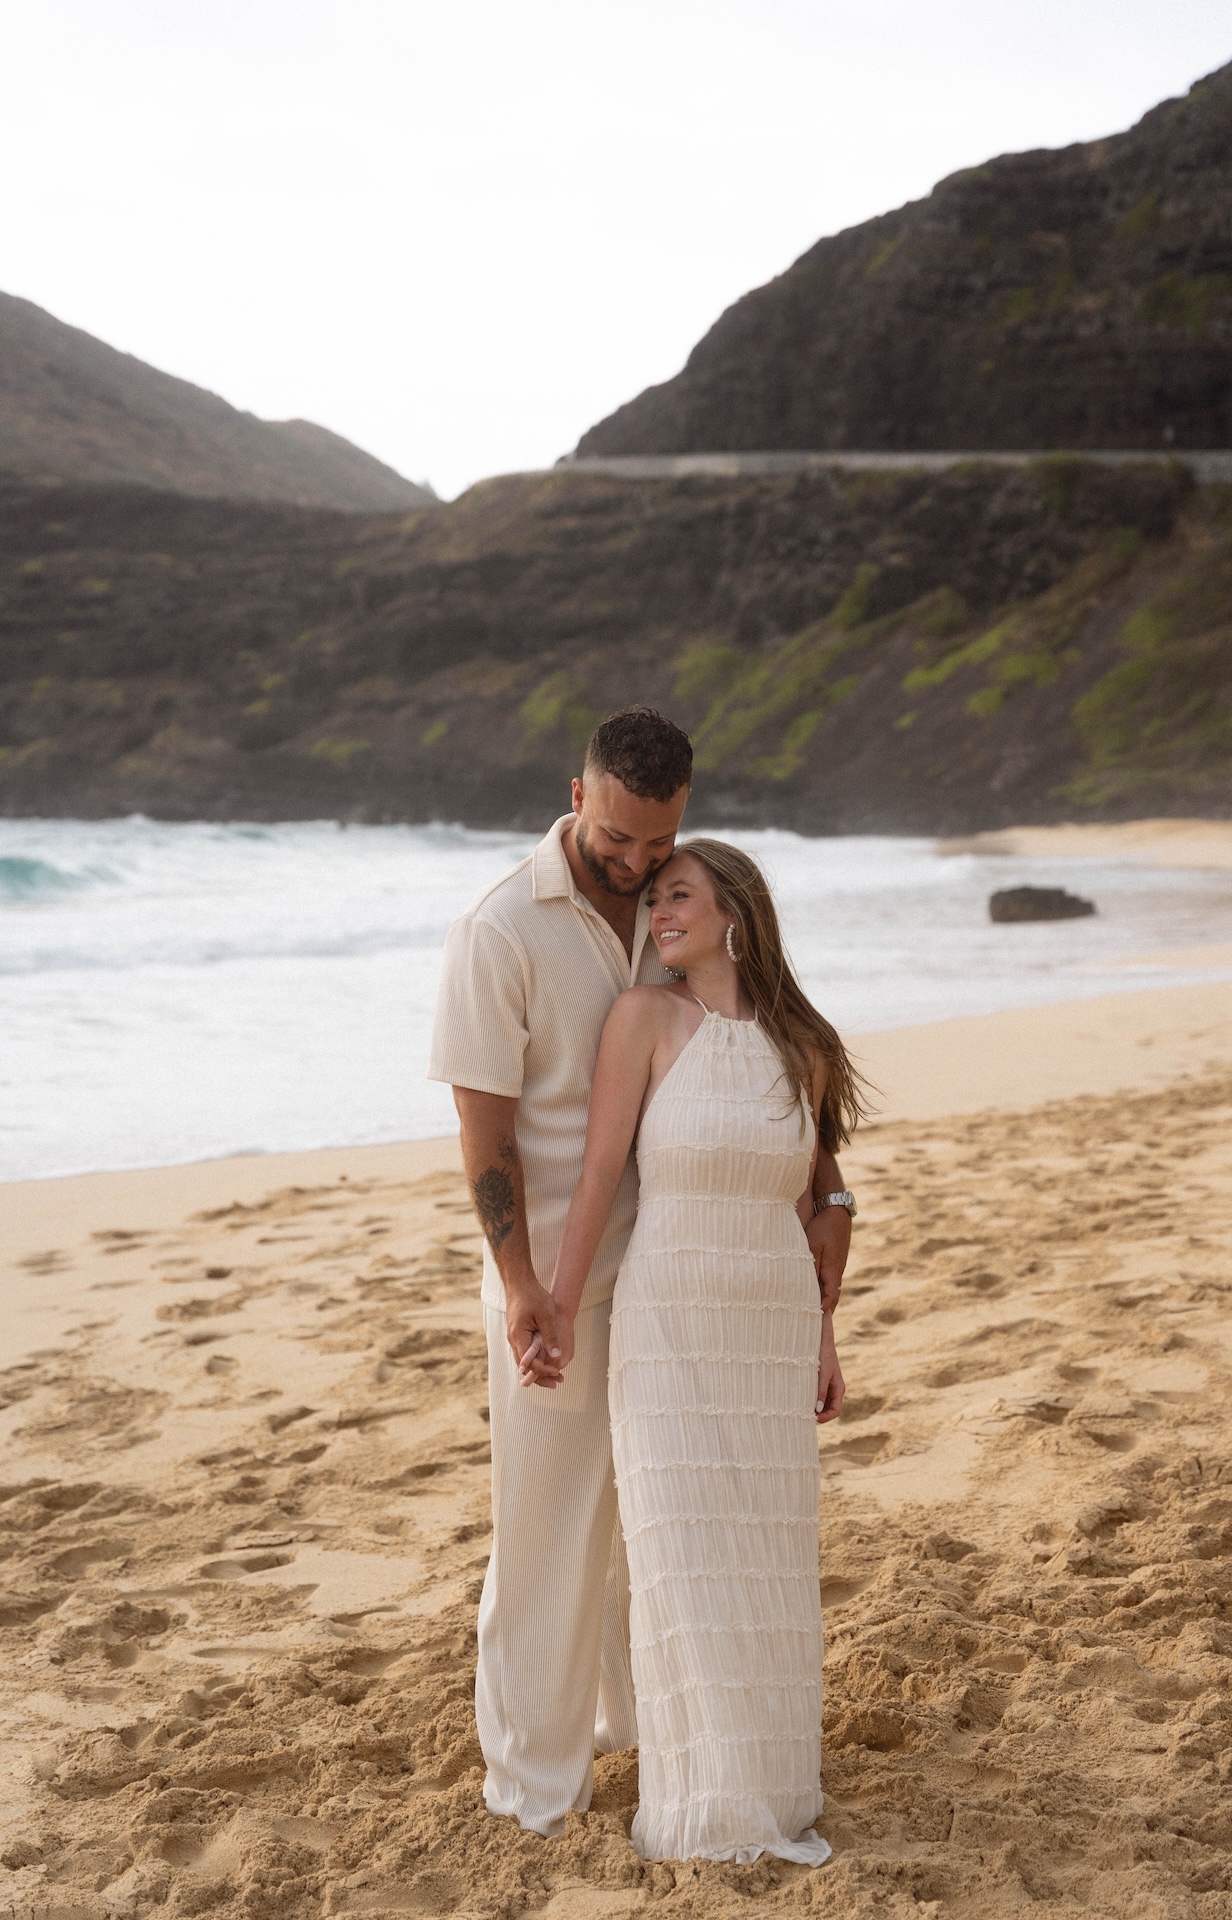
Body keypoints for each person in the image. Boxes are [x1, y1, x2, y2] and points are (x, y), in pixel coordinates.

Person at [430, 708, 853, 1839]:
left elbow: (777, 1084)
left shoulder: (675, 910)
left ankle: (638, 1735)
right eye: (615, 839)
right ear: (576, 793)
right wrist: (522, 1284)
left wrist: (829, 1216)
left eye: (656, 847)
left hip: (683, 1279)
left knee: (652, 1532)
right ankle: (533, 1791)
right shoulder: (501, 930)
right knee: (548, 1537)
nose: (633, 864)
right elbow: (486, 1133)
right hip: (554, 1280)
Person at [545, 838, 864, 1864]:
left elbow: (816, 1200)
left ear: (735, 913)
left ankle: (768, 1786)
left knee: (762, 1550)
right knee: (678, 1550)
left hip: (767, 1320)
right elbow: (598, 1175)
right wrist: (551, 1301)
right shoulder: (642, 1020)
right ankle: (697, 1796)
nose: (659, 914)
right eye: (654, 901)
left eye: (677, 896)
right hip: (668, 1311)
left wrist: (823, 1333)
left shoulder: (800, 1046)